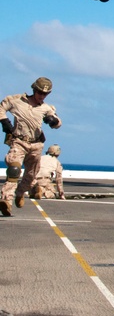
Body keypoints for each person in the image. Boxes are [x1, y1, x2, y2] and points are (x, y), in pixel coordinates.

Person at [1, 77, 62, 216]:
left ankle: (20, 192)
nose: (42, 96)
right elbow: (1, 107)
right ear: (34, 90)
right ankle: (6, 200)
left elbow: (58, 123)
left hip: (36, 145)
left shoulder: (46, 108)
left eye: (45, 94)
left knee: (31, 174)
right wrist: (4, 120)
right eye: (40, 92)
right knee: (14, 170)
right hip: (19, 142)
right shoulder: (17, 101)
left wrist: (53, 121)